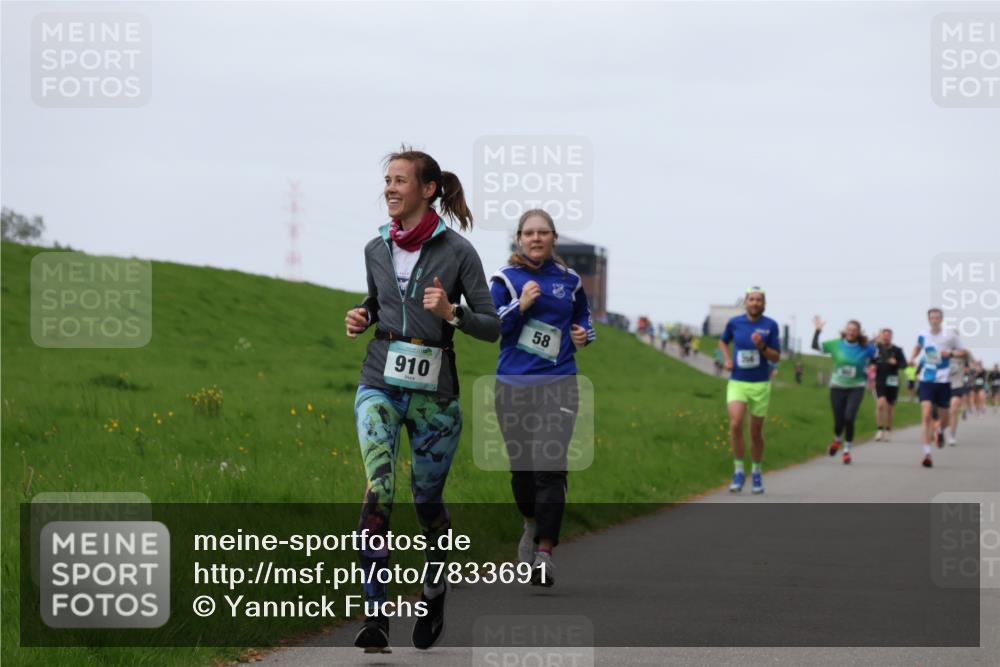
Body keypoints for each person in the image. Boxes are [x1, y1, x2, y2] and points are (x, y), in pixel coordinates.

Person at [345, 148, 500, 653]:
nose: (390, 189)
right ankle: (375, 614)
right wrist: (363, 316)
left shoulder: (458, 252)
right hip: (380, 381)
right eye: (386, 181)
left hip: (436, 394)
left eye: (400, 181)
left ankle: (434, 590)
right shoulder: (375, 248)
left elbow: (492, 325)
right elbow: (377, 301)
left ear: (427, 188)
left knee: (426, 501)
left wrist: (452, 312)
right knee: (379, 489)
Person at [490, 209, 595, 588]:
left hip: (560, 383)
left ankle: (545, 553)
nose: (536, 238)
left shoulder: (569, 280)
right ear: (519, 238)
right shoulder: (505, 279)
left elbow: (585, 320)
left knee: (550, 466)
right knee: (522, 471)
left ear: (553, 237)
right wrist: (520, 306)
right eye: (529, 233)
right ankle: (531, 523)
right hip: (513, 387)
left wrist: (584, 334)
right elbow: (491, 323)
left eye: (543, 232)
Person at [718, 287, 781, 494]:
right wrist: (727, 359)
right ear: (746, 302)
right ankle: (738, 471)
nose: (755, 303)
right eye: (751, 299)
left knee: (755, 433)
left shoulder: (770, 325)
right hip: (738, 382)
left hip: (760, 385)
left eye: (759, 300)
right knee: (735, 424)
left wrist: (762, 345)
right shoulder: (735, 323)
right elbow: (722, 341)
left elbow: (775, 357)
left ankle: (756, 471)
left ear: (764, 304)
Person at [812, 317, 876, 465]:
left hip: (856, 386)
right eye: (849, 329)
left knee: (849, 417)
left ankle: (846, 450)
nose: (851, 332)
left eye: (854, 330)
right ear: (845, 330)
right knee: (839, 420)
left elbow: (877, 356)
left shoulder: (865, 347)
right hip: (837, 387)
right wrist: (817, 330)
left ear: (858, 333)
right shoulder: (836, 344)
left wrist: (872, 369)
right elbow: (815, 345)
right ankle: (836, 440)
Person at [909, 308, 965, 468]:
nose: (934, 320)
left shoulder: (950, 335)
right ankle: (927, 454)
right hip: (927, 379)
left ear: (941, 319)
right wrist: (912, 357)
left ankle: (940, 431)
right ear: (928, 319)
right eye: (932, 317)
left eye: (937, 317)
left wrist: (951, 354)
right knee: (926, 414)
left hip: (944, 380)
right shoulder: (923, 334)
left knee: (944, 419)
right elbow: (918, 347)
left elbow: (962, 352)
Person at [870, 328, 907, 442]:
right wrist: (872, 366)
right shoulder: (876, 350)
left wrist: (896, 363)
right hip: (880, 379)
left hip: (893, 380)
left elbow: (904, 364)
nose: (886, 337)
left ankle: (889, 430)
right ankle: (880, 430)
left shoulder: (897, 350)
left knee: (890, 408)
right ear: (881, 337)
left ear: (891, 337)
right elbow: (871, 361)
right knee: (880, 404)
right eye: (884, 335)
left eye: (888, 336)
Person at [947, 351, 972, 445]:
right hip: (942, 385)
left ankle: (952, 435)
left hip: (957, 385)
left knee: (953, 409)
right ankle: (939, 429)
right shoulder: (940, 348)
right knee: (943, 414)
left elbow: (968, 355)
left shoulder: (962, 353)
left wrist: (952, 354)